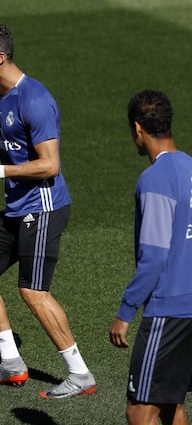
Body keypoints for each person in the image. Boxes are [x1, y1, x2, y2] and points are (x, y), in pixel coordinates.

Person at [0, 22, 96, 399]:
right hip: (18, 205)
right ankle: (11, 363)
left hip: (44, 207)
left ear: (0, 57)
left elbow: (49, 165)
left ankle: (80, 374)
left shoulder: (36, 100)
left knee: (33, 292)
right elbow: (11, 140)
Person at [109, 90, 192, 424]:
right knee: (172, 405)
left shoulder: (155, 178)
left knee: (140, 409)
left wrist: (126, 311)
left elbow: (155, 256)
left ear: (138, 129)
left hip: (168, 312)